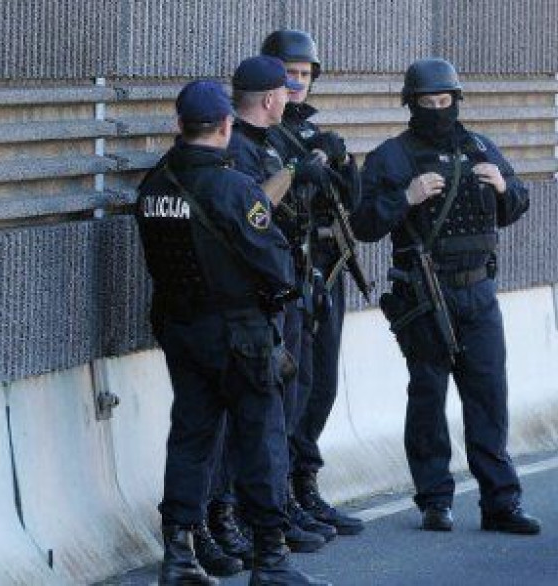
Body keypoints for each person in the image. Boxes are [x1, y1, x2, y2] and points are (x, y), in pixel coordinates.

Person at [135, 79, 331, 586]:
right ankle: (271, 560)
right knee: (262, 439)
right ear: (226, 126)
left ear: (179, 125)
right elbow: (276, 265)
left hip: (181, 330)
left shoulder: (154, 187)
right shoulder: (233, 188)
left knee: (191, 437)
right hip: (240, 334)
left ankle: (179, 556)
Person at [351, 58, 541, 535]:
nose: (438, 110)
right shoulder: (392, 157)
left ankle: (501, 502)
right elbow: (364, 224)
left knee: (489, 398)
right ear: (410, 104)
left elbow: (517, 204)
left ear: (457, 101)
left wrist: (505, 188)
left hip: (478, 292)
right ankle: (435, 500)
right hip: (424, 295)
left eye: (445, 101)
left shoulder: (480, 147)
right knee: (428, 396)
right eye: (427, 102)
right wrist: (406, 197)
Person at [207, 54, 334, 558]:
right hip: (247, 299)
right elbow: (252, 210)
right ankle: (233, 515)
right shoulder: (237, 148)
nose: (291, 95)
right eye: (285, 88)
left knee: (287, 402)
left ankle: (274, 508)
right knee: (250, 412)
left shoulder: (269, 141)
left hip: (283, 286)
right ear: (267, 98)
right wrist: (296, 171)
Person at [260, 29, 365, 537]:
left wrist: (342, 163)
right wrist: (300, 168)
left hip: (325, 269)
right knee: (289, 388)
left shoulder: (310, 132)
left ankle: (304, 482)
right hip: (288, 273)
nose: (298, 83)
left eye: (305, 74)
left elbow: (354, 207)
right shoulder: (264, 135)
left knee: (320, 384)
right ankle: (279, 495)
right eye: (289, 74)